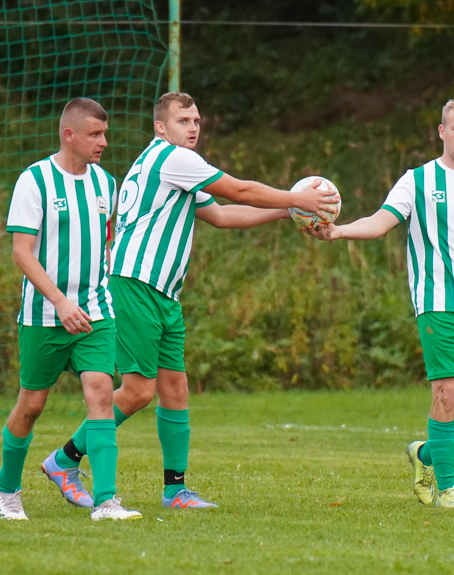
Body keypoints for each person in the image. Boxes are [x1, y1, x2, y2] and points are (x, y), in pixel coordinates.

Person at [41, 91, 339, 510]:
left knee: (175, 388)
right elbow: (239, 189)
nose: (194, 127)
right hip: (135, 284)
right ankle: (64, 460)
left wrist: (287, 213)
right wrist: (297, 199)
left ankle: (175, 490)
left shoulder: (173, 164)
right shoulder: (172, 158)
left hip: (163, 293)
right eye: (184, 120)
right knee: (139, 391)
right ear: (161, 127)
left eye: (197, 120)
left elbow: (220, 215)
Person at [307, 96, 454, 509]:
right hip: (437, 303)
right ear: (442, 131)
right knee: (446, 392)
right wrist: (338, 232)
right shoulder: (418, 180)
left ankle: (425, 453)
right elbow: (380, 222)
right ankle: (447, 486)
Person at [0, 97, 140, 521]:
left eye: (105, 133)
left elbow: (106, 242)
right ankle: (8, 494)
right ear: (69, 134)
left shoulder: (106, 185)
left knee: (99, 392)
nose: (103, 142)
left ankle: (107, 501)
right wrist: (59, 302)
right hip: (44, 315)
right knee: (31, 405)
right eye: (95, 134)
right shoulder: (34, 181)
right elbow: (22, 253)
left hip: (95, 312)